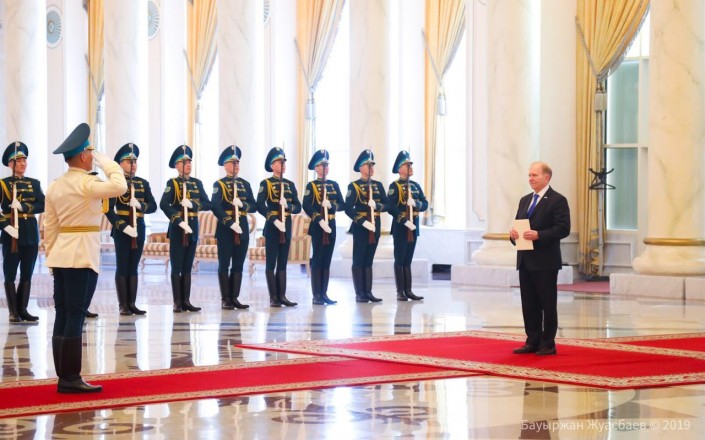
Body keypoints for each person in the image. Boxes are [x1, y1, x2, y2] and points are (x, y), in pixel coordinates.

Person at [44, 123, 127, 393]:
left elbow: (50, 227)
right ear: (82, 156)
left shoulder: (55, 186)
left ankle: (64, 375)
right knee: (76, 314)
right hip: (82, 257)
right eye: (90, 152)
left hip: (61, 255)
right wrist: (108, 163)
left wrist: (51, 257)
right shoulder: (87, 183)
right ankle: (71, 377)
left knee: (63, 313)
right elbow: (120, 186)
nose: (93, 155)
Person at [509, 161, 570, 356]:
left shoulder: (557, 200)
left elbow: (563, 229)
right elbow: (520, 226)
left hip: (545, 261)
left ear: (547, 177)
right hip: (525, 260)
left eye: (534, 175)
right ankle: (532, 341)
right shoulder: (525, 200)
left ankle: (548, 343)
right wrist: (513, 235)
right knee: (529, 304)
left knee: (547, 303)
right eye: (529, 175)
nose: (530, 179)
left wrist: (539, 235)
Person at [105, 143, 157, 316]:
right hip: (122, 230)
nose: (133, 164)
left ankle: (132, 303)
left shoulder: (143, 183)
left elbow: (153, 206)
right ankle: (123, 305)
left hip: (139, 228)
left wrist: (141, 205)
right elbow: (108, 210)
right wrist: (123, 227)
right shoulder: (115, 184)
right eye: (129, 161)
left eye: (135, 161)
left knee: (133, 266)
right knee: (123, 266)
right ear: (121, 164)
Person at [160, 145, 211, 313]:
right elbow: (164, 204)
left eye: (189, 162)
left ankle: (186, 301)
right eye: (184, 162)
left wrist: (193, 204)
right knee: (177, 266)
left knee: (188, 266)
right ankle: (177, 302)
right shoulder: (172, 183)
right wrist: (178, 219)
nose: (188, 164)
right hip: (178, 229)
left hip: (193, 228)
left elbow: (207, 203)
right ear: (177, 166)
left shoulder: (197, 183)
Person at [0, 142, 45, 322]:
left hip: (30, 234)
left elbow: (43, 204)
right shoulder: (3, 184)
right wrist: (6, 226)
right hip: (11, 234)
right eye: (19, 161)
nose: (23, 163)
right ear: (10, 164)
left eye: (24, 160)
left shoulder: (34, 183)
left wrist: (24, 207)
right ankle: (13, 312)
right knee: (10, 273)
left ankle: (23, 309)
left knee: (27, 273)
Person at [211, 145, 256, 310]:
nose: (236, 165)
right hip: (225, 229)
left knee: (238, 264)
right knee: (224, 264)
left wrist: (243, 204)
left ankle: (235, 297)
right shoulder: (219, 184)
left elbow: (254, 206)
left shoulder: (245, 184)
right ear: (225, 166)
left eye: (238, 162)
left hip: (242, 228)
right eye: (233, 163)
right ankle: (225, 299)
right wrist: (230, 223)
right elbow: (215, 206)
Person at [256, 147, 301, 307]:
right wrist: (274, 219)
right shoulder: (266, 184)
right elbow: (260, 205)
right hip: (273, 227)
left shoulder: (289, 184)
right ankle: (273, 297)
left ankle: (282, 296)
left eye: (284, 162)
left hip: (286, 226)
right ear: (272, 165)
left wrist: (288, 205)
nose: (283, 165)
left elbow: (298, 206)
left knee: (282, 263)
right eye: (279, 162)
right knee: (271, 263)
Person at [345, 149, 389, 303]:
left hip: (375, 225)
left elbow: (387, 205)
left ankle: (368, 292)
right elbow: (348, 208)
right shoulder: (354, 186)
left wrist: (377, 205)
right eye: (368, 165)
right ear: (361, 168)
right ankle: (359, 293)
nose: (371, 168)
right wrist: (362, 221)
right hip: (361, 227)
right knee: (359, 259)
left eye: (372, 165)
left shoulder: (378, 185)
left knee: (369, 259)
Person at [302, 149, 345, 305]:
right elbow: (306, 204)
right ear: (316, 168)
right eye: (322, 165)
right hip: (318, 226)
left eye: (327, 165)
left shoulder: (334, 185)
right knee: (318, 260)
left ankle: (324, 293)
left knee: (327, 260)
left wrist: (332, 205)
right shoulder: (311, 186)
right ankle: (316, 295)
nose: (325, 168)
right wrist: (319, 219)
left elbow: (342, 205)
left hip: (331, 225)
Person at [388, 150, 427, 301]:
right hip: (401, 227)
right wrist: (404, 221)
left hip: (414, 226)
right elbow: (391, 207)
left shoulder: (415, 185)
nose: (410, 167)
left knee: (408, 260)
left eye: (410, 164)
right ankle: (400, 291)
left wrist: (416, 203)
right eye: (407, 165)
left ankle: (408, 290)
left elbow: (425, 203)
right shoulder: (395, 186)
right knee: (400, 259)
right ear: (400, 169)